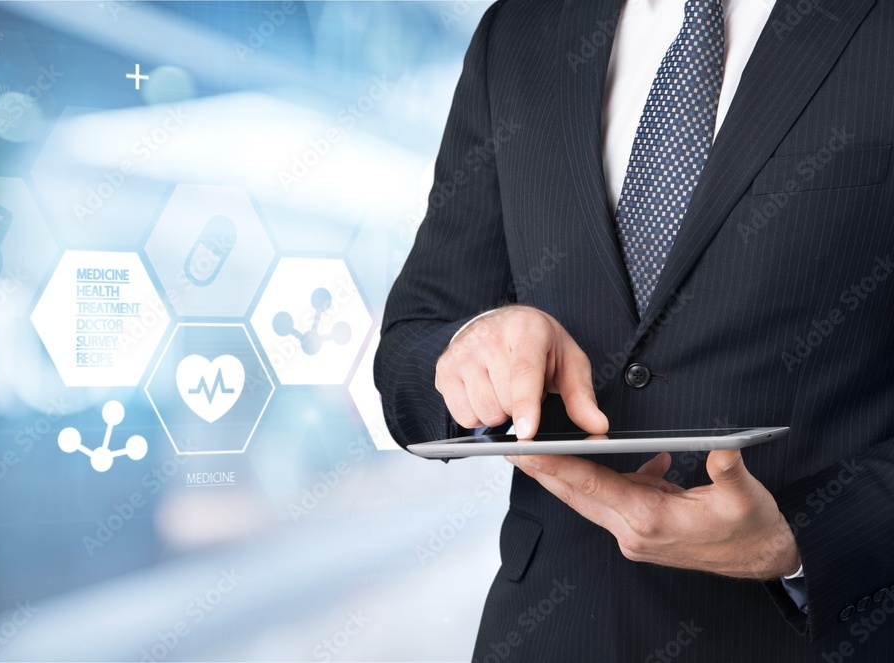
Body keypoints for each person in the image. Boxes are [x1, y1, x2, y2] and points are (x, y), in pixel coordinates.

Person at [375, 0, 894, 660]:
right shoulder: (522, 30)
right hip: (550, 632)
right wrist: (473, 349)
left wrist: (799, 540)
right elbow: (412, 345)